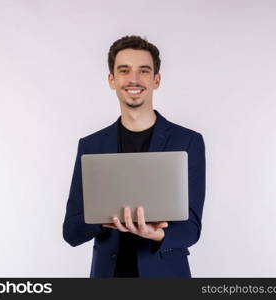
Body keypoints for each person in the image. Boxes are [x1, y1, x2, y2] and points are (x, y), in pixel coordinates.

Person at [62, 35, 206, 278]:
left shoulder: (187, 142)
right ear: (112, 79)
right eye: (124, 70)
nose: (134, 79)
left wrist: (158, 234)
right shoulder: (91, 145)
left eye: (144, 71)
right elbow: (71, 231)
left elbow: (191, 228)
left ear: (156, 80)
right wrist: (103, 219)